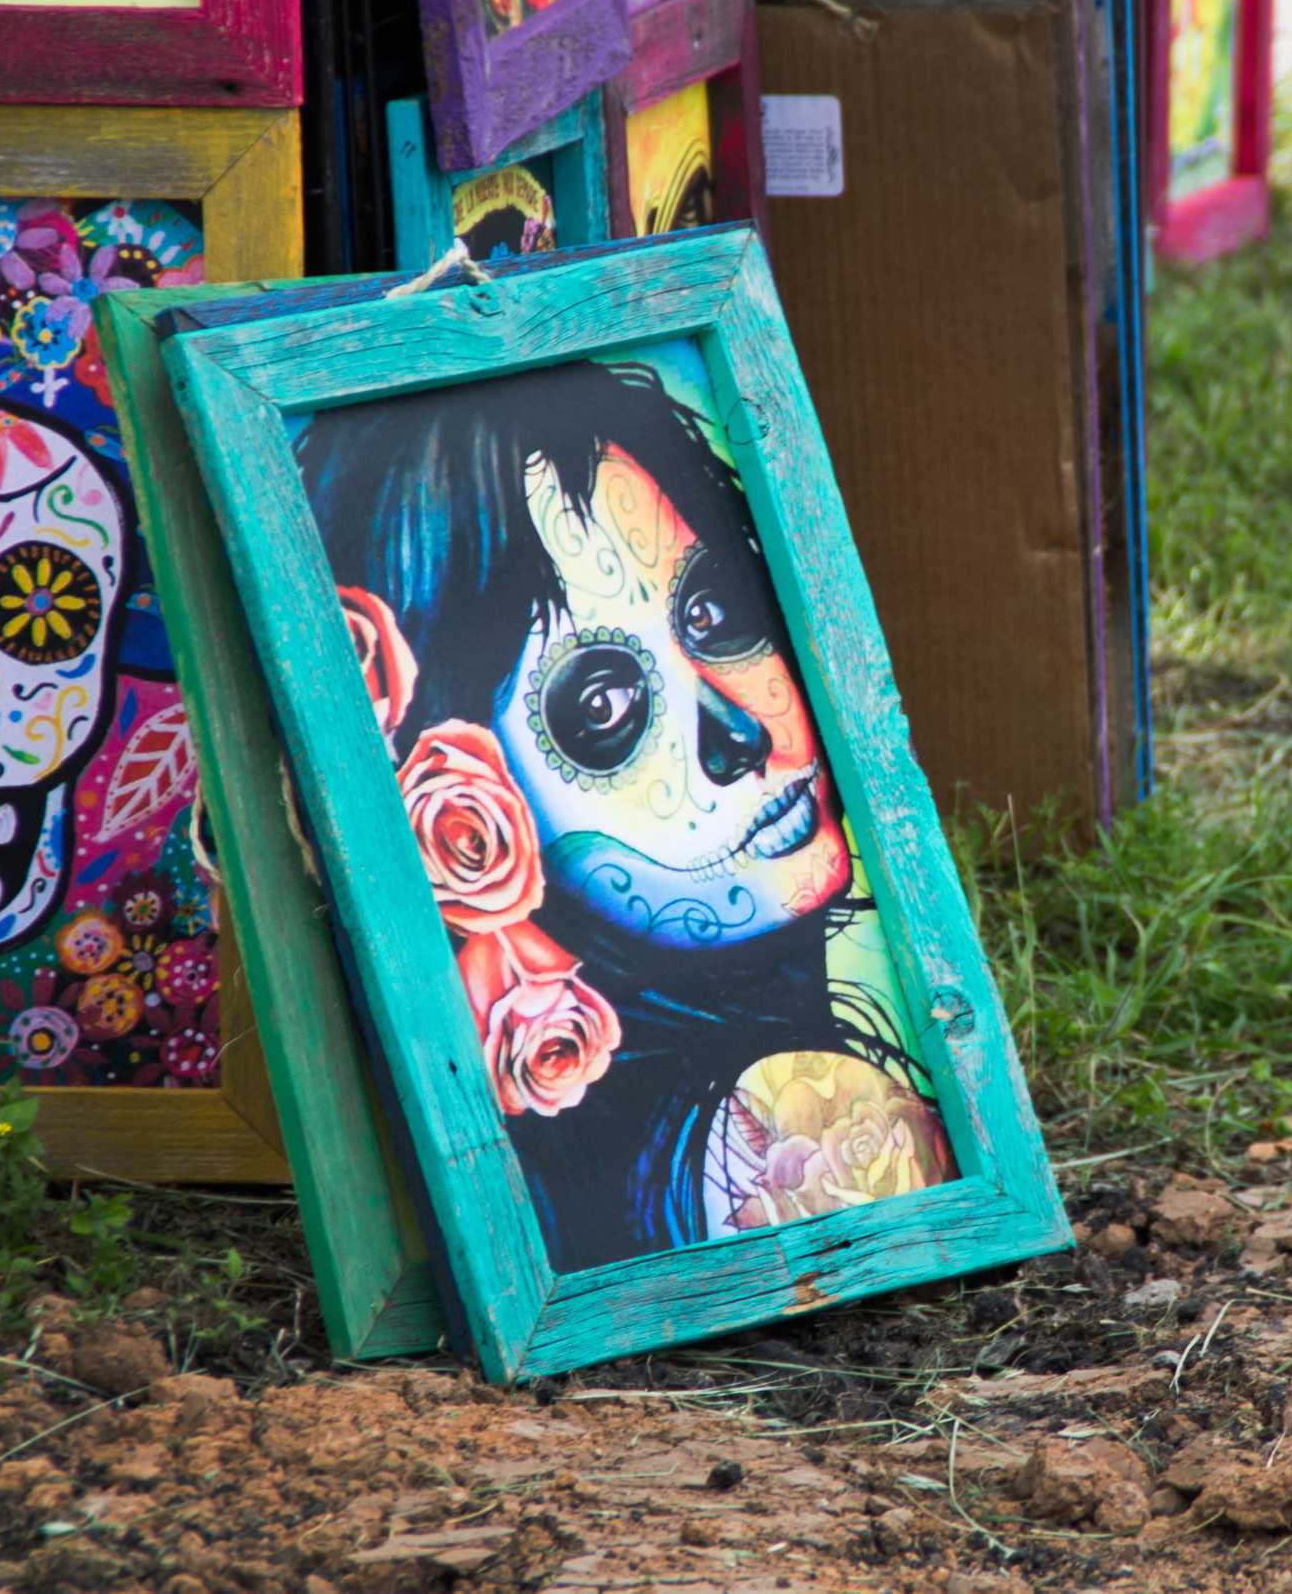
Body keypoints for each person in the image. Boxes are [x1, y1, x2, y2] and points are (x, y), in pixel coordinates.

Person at [294, 356, 956, 1268]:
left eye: (714, 611)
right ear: (470, 810)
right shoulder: (790, 1127)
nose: (737, 734)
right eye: (603, 707)